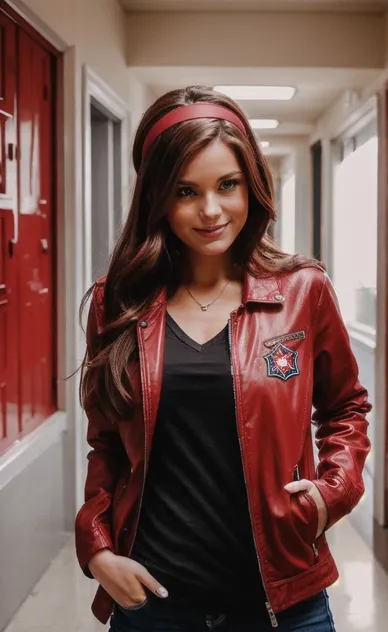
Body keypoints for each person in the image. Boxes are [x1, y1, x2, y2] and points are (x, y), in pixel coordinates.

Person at [75, 85, 371, 632]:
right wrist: (96, 549)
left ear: (251, 185)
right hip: (155, 599)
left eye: (227, 185)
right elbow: (107, 445)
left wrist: (332, 494)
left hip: (284, 599)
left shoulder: (303, 290)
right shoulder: (116, 303)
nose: (211, 210)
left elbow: (346, 409)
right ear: (157, 197)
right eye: (186, 191)